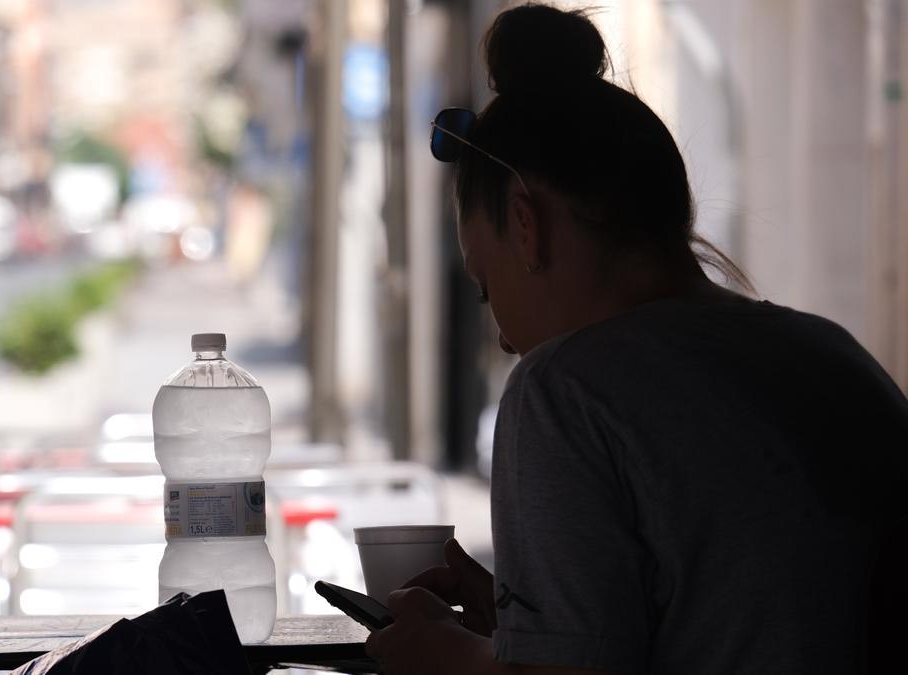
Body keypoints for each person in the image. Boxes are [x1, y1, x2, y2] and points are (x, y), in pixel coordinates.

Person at [364, 3, 908, 674]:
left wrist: (441, 654)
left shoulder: (563, 391)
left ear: (525, 223)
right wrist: (530, 619)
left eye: (485, 285)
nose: (502, 336)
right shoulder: (832, 354)